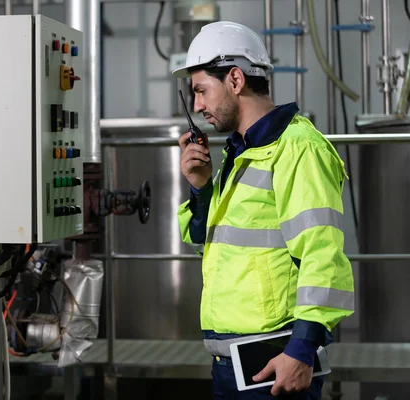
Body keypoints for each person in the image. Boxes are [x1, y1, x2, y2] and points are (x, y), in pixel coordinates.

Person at [173, 21, 355, 399]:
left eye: (201, 90)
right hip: (230, 366)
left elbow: (323, 256)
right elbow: (204, 244)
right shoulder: (240, 154)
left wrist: (301, 351)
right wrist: (201, 187)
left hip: (276, 366)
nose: (197, 106)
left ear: (235, 80)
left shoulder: (297, 148)